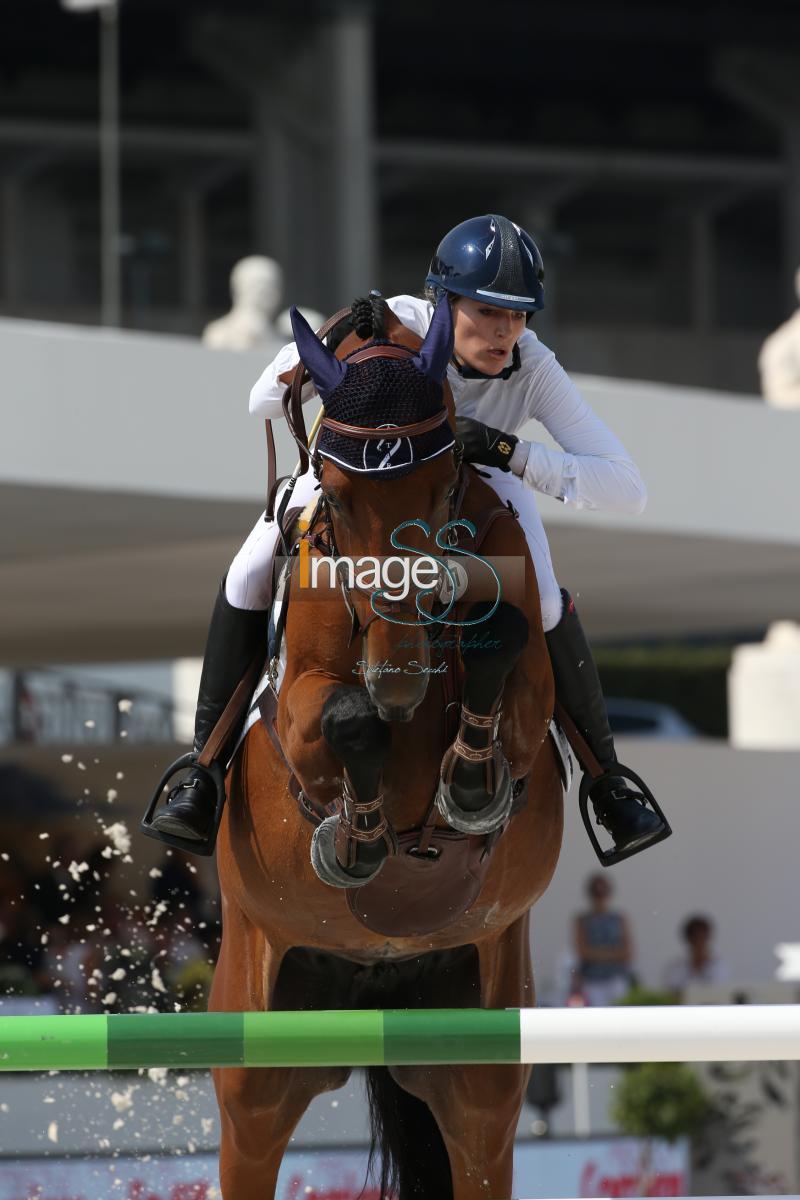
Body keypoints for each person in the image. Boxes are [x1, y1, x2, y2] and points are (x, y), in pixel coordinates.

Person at [147, 213, 670, 868]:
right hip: (365, 489)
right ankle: (204, 769)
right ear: (443, 302)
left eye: (520, 315)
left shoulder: (532, 367)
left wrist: (512, 452)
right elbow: (261, 400)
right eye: (487, 312)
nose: (507, 332)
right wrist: (340, 333)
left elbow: (628, 488)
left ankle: (607, 781)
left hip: (475, 496)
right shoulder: (393, 323)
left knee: (547, 601)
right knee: (250, 567)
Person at [572, 873, 634, 1007]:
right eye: (596, 893)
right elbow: (582, 952)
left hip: (616, 980)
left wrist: (596, 954)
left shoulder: (619, 919)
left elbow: (628, 953)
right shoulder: (582, 920)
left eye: (603, 892)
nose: (600, 898)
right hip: (591, 981)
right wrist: (613, 954)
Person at [662, 914, 730, 998]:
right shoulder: (676, 967)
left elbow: (718, 991)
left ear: (708, 937)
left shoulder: (719, 965)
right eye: (695, 937)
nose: (699, 941)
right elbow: (670, 992)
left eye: (702, 936)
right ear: (688, 939)